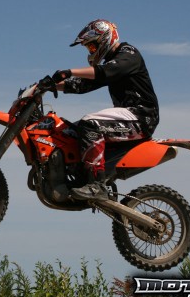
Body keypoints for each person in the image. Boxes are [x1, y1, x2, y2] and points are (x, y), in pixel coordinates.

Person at [50, 19, 159, 201]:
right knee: (68, 132)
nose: (91, 51)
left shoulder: (128, 54)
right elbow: (84, 84)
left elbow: (105, 71)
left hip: (142, 116)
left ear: (104, 38)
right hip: (128, 117)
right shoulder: (110, 63)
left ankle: (96, 185)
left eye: (92, 46)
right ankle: (79, 177)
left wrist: (69, 71)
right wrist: (49, 86)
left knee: (90, 124)